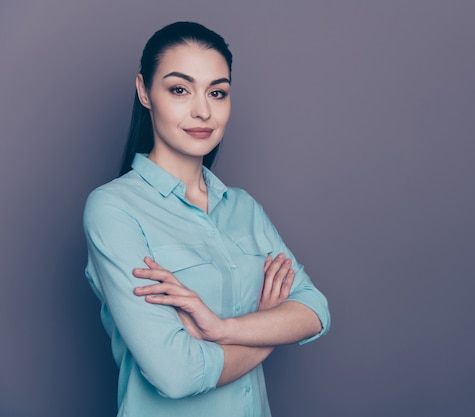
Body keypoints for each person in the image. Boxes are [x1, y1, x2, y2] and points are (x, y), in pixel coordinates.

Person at [83, 21, 330, 417]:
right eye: (179, 89)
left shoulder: (244, 208)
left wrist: (222, 329)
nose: (203, 110)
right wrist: (267, 331)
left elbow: (315, 311)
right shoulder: (114, 209)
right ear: (145, 92)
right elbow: (175, 374)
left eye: (217, 92)